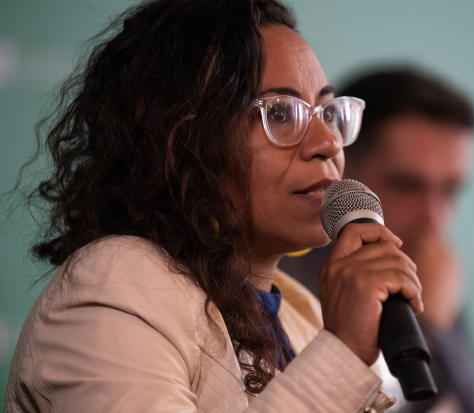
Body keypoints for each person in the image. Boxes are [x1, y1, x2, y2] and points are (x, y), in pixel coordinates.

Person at [3, 2, 424, 412]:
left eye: (330, 113)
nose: (328, 143)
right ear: (183, 138)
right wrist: (344, 355)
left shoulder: (304, 314)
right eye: (280, 112)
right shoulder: (117, 285)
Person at [279, 67, 474, 413]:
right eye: (407, 186)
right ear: (341, 168)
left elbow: (471, 405)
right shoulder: (285, 279)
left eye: (450, 190)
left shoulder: (424, 262)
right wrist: (427, 326)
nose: (435, 218)